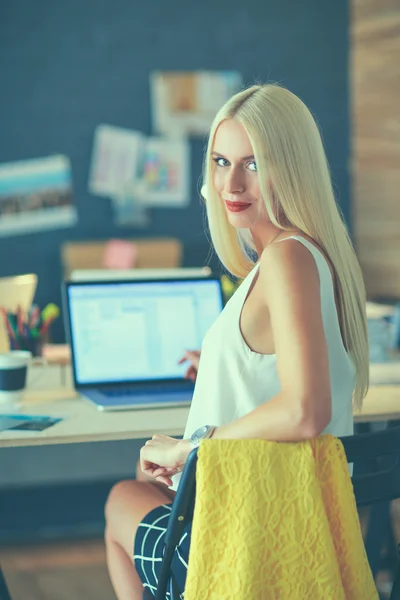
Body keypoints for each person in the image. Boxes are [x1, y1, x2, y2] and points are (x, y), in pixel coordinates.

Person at [104, 83, 369, 599]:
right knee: (137, 484)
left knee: (120, 499)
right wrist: (226, 363)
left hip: (243, 543)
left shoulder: (285, 259)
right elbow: (295, 368)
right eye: (222, 161)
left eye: (254, 163)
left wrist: (191, 448)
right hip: (292, 523)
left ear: (291, 169)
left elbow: (304, 410)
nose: (232, 182)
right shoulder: (311, 254)